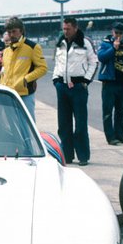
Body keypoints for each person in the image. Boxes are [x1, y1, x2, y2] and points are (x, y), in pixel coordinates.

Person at [52, 17, 97, 165]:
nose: (65, 31)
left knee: (80, 124)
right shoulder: (60, 43)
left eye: (68, 29)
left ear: (75, 28)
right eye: (64, 29)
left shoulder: (85, 42)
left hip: (78, 88)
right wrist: (55, 80)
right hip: (62, 87)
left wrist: (85, 81)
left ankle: (83, 156)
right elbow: (57, 63)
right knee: (63, 125)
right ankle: (67, 155)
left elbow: (94, 62)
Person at [0, 17, 47, 119]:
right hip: (8, 95)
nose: (11, 35)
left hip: (24, 95)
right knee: (11, 126)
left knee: (27, 127)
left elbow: (43, 68)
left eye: (14, 31)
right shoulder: (6, 51)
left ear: (21, 31)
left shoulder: (32, 47)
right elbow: (5, 72)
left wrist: (26, 79)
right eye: (9, 32)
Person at [98, 22, 123, 145]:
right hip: (109, 82)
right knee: (108, 111)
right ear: (112, 32)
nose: (118, 35)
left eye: (121, 33)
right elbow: (101, 57)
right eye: (116, 33)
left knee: (120, 111)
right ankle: (110, 136)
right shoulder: (105, 43)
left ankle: (120, 135)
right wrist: (113, 48)